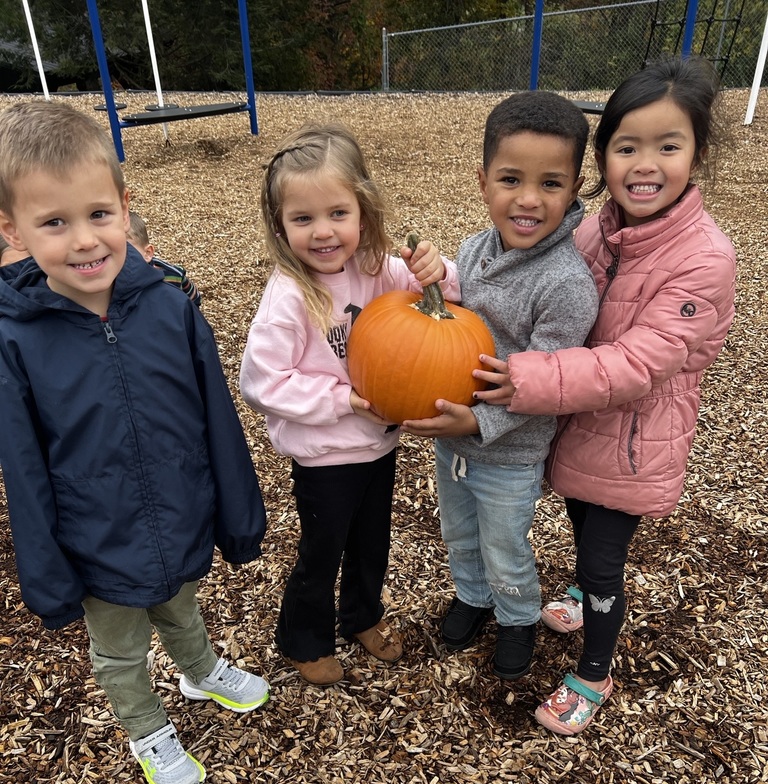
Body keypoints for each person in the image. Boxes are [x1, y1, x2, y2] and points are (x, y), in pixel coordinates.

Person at [0, 101, 270, 784]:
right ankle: (147, 728)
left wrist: (237, 512)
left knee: (181, 603)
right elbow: (22, 466)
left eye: (98, 214)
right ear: (12, 229)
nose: (84, 241)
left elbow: (217, 418)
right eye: (54, 223)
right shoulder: (16, 340)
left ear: (125, 207)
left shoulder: (169, 307)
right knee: (120, 648)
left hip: (178, 509)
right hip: (93, 535)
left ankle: (200, 671)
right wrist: (47, 570)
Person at [472, 56, 736, 735]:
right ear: (603, 157)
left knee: (601, 560)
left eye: (668, 146)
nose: (645, 165)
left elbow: (638, 364)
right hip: (582, 426)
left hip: (634, 443)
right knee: (580, 526)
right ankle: (582, 595)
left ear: (697, 155)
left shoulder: (704, 259)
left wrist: (528, 378)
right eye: (627, 147)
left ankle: (593, 673)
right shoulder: (598, 228)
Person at [240, 122, 460, 687]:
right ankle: (303, 637)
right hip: (325, 456)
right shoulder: (289, 297)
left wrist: (438, 272)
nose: (322, 231)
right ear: (280, 225)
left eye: (337, 213)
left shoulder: (379, 267)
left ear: (363, 210)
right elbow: (262, 382)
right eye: (302, 218)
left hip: (379, 444)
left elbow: (445, 303)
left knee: (371, 544)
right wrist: (343, 399)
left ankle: (362, 614)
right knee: (323, 551)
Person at [403, 92, 599, 682]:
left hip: (511, 452)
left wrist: (478, 421)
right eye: (511, 179)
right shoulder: (473, 250)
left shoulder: (566, 285)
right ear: (484, 182)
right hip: (454, 441)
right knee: (459, 533)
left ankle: (516, 616)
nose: (529, 199)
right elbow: (455, 317)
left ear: (575, 189)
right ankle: (473, 596)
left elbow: (548, 380)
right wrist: (438, 278)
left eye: (550, 183)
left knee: (505, 545)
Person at [126, 210, 202, 306]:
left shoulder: (172, 276)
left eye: (127, 250)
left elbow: (194, 299)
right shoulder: (110, 282)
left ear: (147, 253)